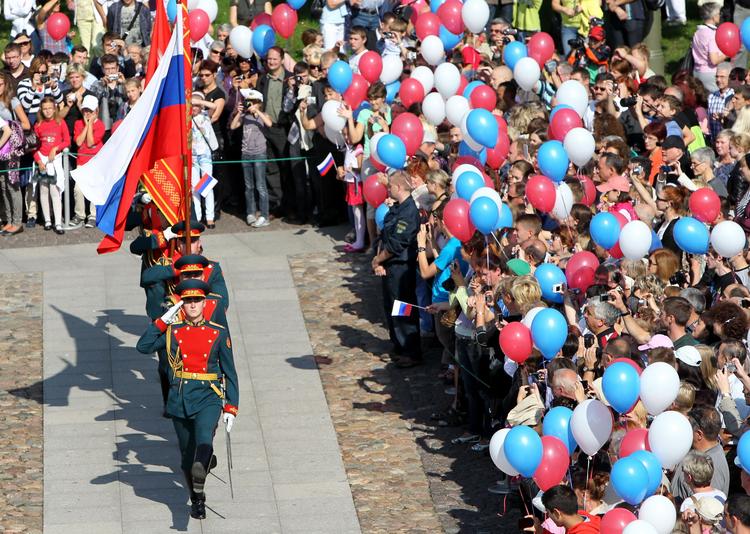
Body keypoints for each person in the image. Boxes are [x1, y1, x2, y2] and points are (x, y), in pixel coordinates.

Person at [136, 278, 238, 520]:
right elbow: (143, 346)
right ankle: (197, 496)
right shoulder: (173, 331)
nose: (192, 305)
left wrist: (231, 407)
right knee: (186, 457)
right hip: (180, 397)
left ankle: (202, 473)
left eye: (197, 301)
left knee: (204, 438)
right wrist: (163, 320)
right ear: (182, 304)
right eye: (188, 301)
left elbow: (230, 372)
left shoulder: (217, 332)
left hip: (208, 396)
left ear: (205, 303)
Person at [373, 170, 421, 368]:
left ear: (399, 187)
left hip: (401, 267)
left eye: (390, 186)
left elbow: (397, 243)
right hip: (391, 265)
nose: (388, 189)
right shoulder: (398, 208)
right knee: (391, 307)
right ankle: (399, 345)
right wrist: (380, 261)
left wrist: (378, 259)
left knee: (403, 309)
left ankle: (410, 350)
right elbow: (385, 233)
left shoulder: (409, 212)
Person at [230, 88, 272, 228]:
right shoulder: (244, 117)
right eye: (248, 102)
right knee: (249, 186)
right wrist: (239, 112)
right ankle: (251, 213)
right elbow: (233, 126)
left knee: (260, 186)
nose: (250, 104)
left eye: (253, 102)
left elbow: (269, 123)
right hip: (246, 154)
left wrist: (257, 111)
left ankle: (265, 215)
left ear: (259, 103)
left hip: (259, 153)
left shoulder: (263, 114)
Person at [33, 95, 69, 234]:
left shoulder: (60, 122)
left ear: (54, 109)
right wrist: (39, 161)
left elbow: (66, 141)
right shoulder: (38, 125)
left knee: (55, 191)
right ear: (41, 110)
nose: (47, 111)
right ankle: (47, 220)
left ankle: (58, 222)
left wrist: (56, 148)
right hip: (42, 162)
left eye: (50, 108)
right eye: (45, 109)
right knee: (43, 190)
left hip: (54, 161)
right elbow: (35, 147)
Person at [72, 94, 104, 228]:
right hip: (82, 161)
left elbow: (90, 142)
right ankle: (79, 215)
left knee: (94, 189)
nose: (87, 114)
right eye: (85, 110)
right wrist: (86, 125)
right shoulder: (78, 123)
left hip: (95, 163)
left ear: (96, 111)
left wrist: (90, 124)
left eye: (90, 111)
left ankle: (93, 215)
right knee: (78, 189)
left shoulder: (101, 125)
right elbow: (79, 142)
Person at [190, 92, 218, 229]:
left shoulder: (206, 115)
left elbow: (215, 106)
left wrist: (199, 102)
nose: (194, 107)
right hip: (192, 157)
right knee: (194, 187)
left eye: (196, 105)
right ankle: (197, 216)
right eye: (192, 105)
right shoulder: (187, 118)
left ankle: (210, 217)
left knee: (207, 186)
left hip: (205, 156)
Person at [692, 3, 728, 93]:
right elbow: (714, 60)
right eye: (719, 14)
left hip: (696, 72)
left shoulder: (698, 32)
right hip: (710, 74)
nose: (720, 16)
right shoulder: (712, 34)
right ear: (714, 17)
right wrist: (727, 54)